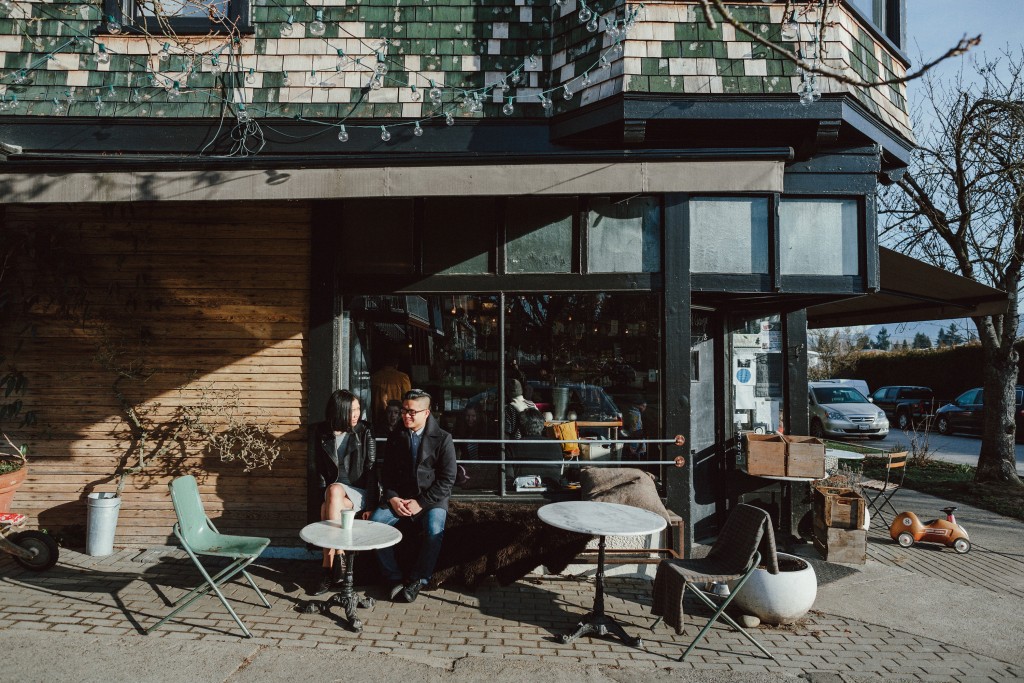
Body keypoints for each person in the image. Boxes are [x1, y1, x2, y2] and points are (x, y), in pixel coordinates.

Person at [371, 389, 457, 603]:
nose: (405, 415)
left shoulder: (443, 438)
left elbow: (447, 479)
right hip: (400, 498)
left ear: (426, 413)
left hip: (431, 499)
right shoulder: (396, 436)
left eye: (412, 412)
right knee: (375, 525)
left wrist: (421, 502)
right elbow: (386, 474)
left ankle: (419, 579)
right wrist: (392, 498)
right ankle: (393, 578)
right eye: (403, 410)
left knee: (434, 530)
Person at [311, 389, 378, 595]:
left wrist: (372, 504)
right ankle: (335, 563)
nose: (357, 414)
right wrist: (324, 494)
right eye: (352, 410)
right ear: (339, 411)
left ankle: (329, 564)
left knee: (330, 498)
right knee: (331, 495)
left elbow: (371, 470)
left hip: (357, 492)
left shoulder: (364, 431)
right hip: (334, 495)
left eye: (358, 409)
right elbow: (319, 470)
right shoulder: (322, 432)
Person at [370, 353, 411, 427]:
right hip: (396, 419)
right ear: (396, 364)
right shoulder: (402, 377)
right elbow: (407, 398)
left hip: (377, 418)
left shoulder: (374, 377)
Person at [622, 395, 648, 461]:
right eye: (644, 406)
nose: (645, 409)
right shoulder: (635, 415)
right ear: (641, 406)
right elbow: (636, 431)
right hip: (636, 441)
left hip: (635, 439)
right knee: (636, 458)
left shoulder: (633, 413)